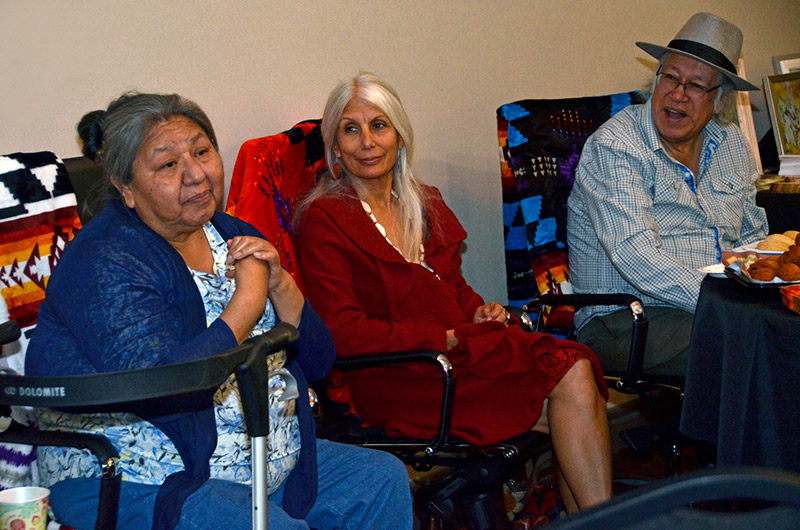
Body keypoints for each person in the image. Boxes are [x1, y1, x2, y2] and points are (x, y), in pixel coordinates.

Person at [24, 92, 413, 530]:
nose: (196, 174)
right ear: (126, 188)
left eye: (202, 152)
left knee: (379, 480)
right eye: (167, 165)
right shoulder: (104, 259)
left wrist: (281, 285)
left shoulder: (230, 232)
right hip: (138, 477)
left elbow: (319, 362)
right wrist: (248, 300)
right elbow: (165, 386)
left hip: (261, 457)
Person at [295, 72, 612, 512]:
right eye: (351, 129)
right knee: (574, 388)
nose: (367, 142)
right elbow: (340, 332)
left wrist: (478, 312)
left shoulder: (424, 201)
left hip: (455, 358)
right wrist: (440, 339)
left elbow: (453, 290)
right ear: (335, 147)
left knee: (574, 383)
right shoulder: (324, 218)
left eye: (378, 125)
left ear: (399, 136)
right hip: (399, 377)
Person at [566, 12, 768, 377]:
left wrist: (764, 281)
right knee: (755, 346)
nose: (677, 94)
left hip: (714, 306)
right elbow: (636, 256)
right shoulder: (616, 146)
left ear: (720, 101)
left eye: (696, 86)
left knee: (779, 334)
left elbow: (752, 235)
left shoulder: (732, 144)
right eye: (670, 77)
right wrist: (724, 303)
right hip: (626, 318)